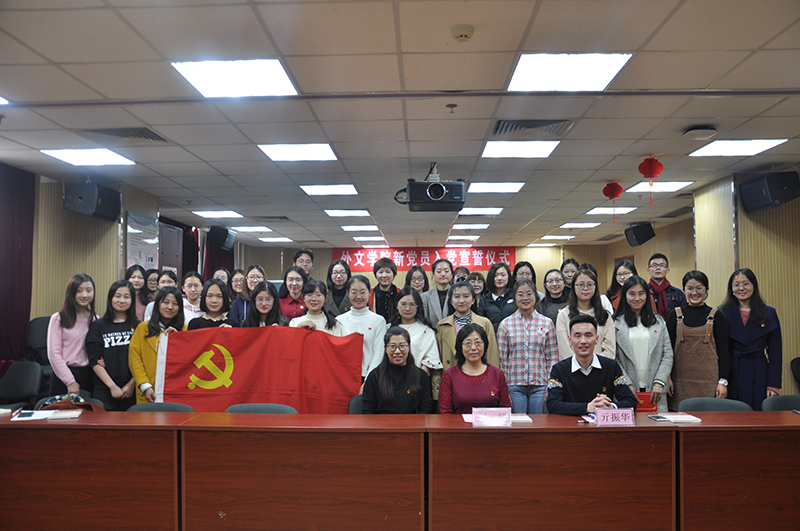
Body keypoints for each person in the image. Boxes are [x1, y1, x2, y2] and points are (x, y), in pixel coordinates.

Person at [546, 314, 638, 416]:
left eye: (588, 335)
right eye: (577, 336)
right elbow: (552, 404)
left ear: (597, 339)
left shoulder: (611, 366)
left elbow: (630, 401)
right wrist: (587, 407)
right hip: (571, 424)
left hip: (602, 424)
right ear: (570, 340)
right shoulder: (559, 369)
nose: (583, 341)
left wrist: (610, 407)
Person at [666, 270, 731, 411]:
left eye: (699, 288)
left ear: (707, 290)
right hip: (679, 384)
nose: (694, 293)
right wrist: (667, 378)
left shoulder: (717, 316)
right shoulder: (674, 315)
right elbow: (667, 351)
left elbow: (725, 352)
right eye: (690, 288)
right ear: (683, 290)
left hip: (710, 384)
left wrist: (723, 382)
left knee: (709, 419)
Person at [719, 268, 782, 410]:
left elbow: (776, 352)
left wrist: (773, 384)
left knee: (758, 414)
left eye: (746, 284)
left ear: (754, 286)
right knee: (733, 414)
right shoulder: (722, 312)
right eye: (736, 285)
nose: (741, 288)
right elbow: (720, 351)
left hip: (759, 370)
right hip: (732, 371)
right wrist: (721, 381)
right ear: (731, 288)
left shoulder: (769, 313)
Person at [614, 275, 674, 412]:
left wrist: (660, 381)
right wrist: (626, 383)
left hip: (655, 390)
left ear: (647, 295)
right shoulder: (616, 323)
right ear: (625, 296)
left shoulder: (659, 322)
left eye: (641, 293)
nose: (637, 298)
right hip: (627, 389)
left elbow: (667, 354)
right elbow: (614, 358)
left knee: (656, 424)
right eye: (632, 294)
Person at [497, 280, 558, 414]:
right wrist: (504, 389)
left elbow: (552, 357)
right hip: (514, 385)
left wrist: (550, 385)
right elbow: (502, 360)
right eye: (520, 294)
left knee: (538, 423)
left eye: (529, 294)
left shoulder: (547, 323)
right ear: (514, 297)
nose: (525, 298)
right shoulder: (505, 324)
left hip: (540, 385)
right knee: (519, 423)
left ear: (535, 296)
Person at [433, 281, 499, 400]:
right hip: (451, 382)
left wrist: (493, 383)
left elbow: (492, 356)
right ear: (451, 301)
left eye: (466, 296)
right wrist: (437, 388)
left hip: (480, 379)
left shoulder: (485, 323)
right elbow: (437, 359)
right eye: (457, 297)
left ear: (473, 300)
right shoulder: (442, 325)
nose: (461, 300)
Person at [86, 280, 139, 411]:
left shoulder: (138, 326)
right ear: (111, 298)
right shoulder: (98, 325)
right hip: (104, 389)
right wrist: (112, 386)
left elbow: (144, 359)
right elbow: (94, 359)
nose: (122, 300)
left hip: (132, 389)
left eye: (127, 297)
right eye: (117, 296)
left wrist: (132, 384)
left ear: (132, 300)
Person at [129, 286, 186, 404]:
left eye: (175, 304)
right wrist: (145, 386)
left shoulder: (185, 329)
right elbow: (135, 359)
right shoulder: (143, 328)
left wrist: (178, 339)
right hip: (148, 389)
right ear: (157, 304)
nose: (170, 307)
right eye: (166, 302)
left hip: (175, 390)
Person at [438, 323, 511, 414]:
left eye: (478, 343)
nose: (473, 348)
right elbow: (445, 412)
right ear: (460, 347)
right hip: (458, 423)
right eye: (468, 343)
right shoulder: (449, 375)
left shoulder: (497, 374)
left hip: (491, 423)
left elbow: (505, 410)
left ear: (485, 345)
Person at [361, 327, 433, 414]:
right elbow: (367, 410)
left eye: (402, 346)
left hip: (412, 422)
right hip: (381, 422)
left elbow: (426, 408)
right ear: (385, 348)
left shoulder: (421, 376)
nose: (397, 351)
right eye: (392, 346)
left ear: (409, 347)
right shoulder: (374, 376)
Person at [47, 273, 97, 396]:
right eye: (79, 291)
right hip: (64, 375)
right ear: (71, 293)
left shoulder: (96, 320)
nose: (84, 295)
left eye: (88, 290)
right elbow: (54, 354)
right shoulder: (58, 318)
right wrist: (70, 381)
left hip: (89, 375)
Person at [555, 269, 615, 360]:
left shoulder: (605, 316)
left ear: (595, 287)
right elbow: (565, 351)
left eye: (590, 285)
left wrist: (592, 365)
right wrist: (581, 365)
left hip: (601, 367)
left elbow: (610, 351)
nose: (585, 288)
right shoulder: (563, 315)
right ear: (574, 287)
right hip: (571, 367)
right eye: (581, 285)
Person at [336, 276, 387, 382]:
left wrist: (368, 380)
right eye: (354, 292)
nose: (358, 296)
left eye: (363, 292)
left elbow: (378, 353)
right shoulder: (339, 320)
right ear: (348, 293)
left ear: (369, 293)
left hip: (371, 376)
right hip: (344, 377)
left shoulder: (378, 320)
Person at [388, 286, 443, 373]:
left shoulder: (426, 331)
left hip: (417, 376)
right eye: (403, 304)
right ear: (396, 305)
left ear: (418, 306)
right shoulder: (388, 329)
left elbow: (431, 358)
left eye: (412, 304)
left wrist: (420, 375)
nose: (407, 308)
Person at [478, 262, 515, 332]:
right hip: (491, 337)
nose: (499, 278)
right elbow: (481, 324)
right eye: (495, 275)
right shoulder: (484, 299)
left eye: (503, 275)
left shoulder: (515, 296)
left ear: (508, 277)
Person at [647, 253, 686, 319]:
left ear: (667, 270)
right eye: (654, 265)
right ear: (648, 270)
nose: (658, 268)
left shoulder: (678, 293)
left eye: (662, 265)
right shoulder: (644, 292)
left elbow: (683, 316)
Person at [421, 258, 453, 325]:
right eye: (439, 271)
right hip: (431, 331)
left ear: (451, 274)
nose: (443, 274)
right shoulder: (425, 297)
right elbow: (423, 320)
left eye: (446, 271)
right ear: (433, 275)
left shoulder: (456, 295)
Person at [369, 257, 399, 322]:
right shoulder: (370, 294)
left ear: (394, 274)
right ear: (375, 274)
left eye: (388, 272)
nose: (384, 275)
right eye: (380, 272)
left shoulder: (400, 293)